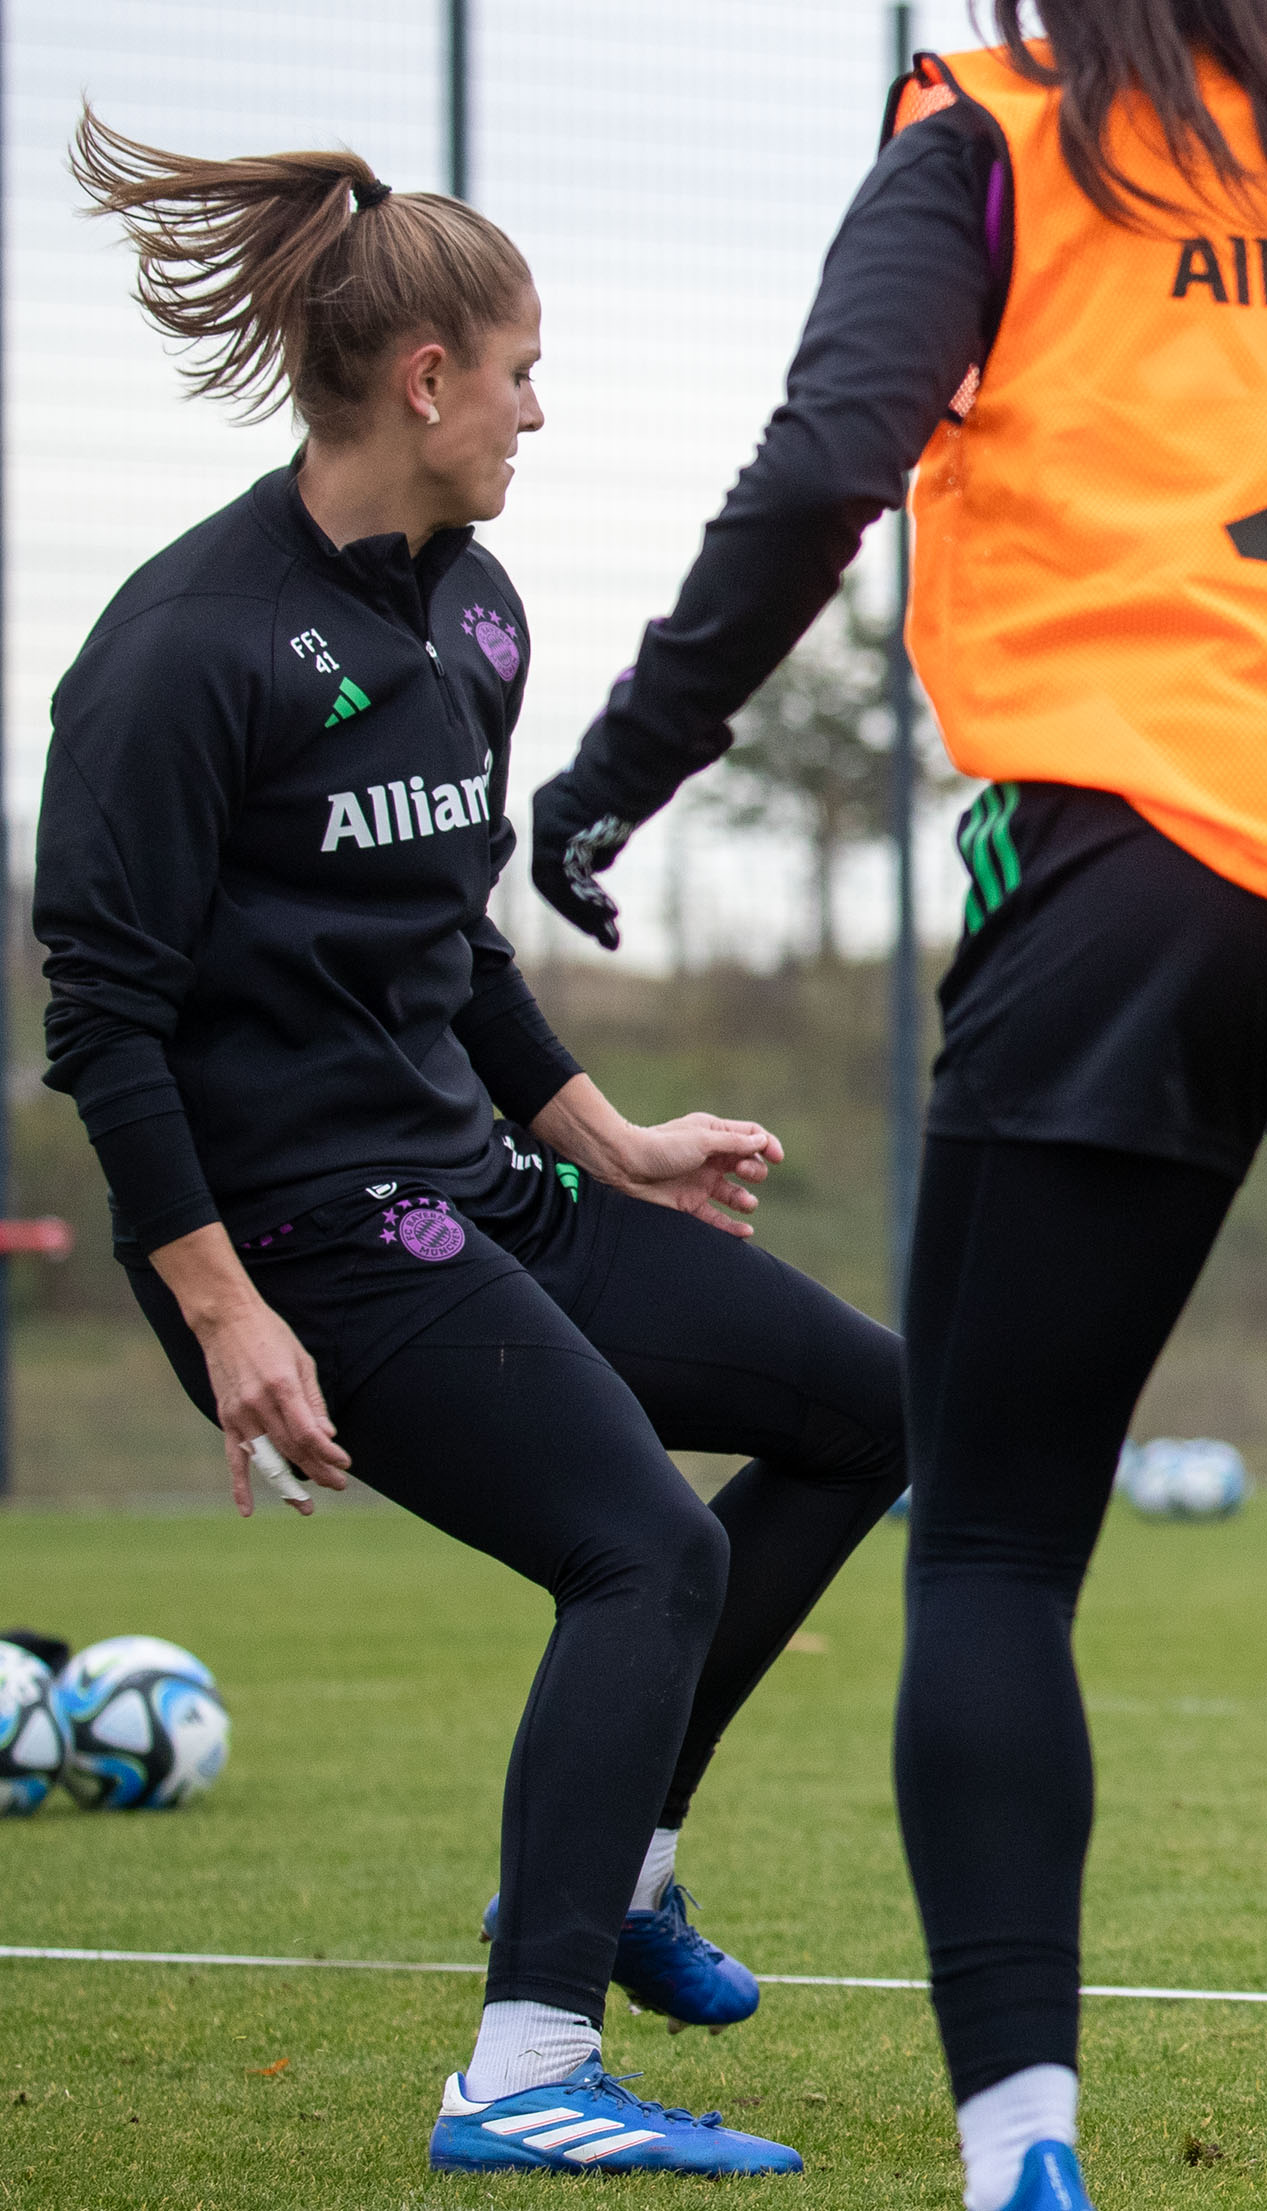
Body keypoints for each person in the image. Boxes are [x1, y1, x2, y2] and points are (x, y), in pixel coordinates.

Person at [517, 0, 1267, 2205]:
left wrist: (622, 768)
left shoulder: (1000, 126)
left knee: (994, 1542)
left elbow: (826, 462)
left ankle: (1025, 2151)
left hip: (1137, 869)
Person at [39, 120, 910, 2176]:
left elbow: (446, 941)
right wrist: (223, 1313)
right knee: (646, 1548)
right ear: (425, 380)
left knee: (874, 1405)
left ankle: (620, 1873)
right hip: (306, 1250)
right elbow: (102, 1021)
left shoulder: (480, 615)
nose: (541, 402)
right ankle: (522, 2074)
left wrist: (612, 1134)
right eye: (523, 365)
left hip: (481, 1195)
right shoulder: (183, 650)